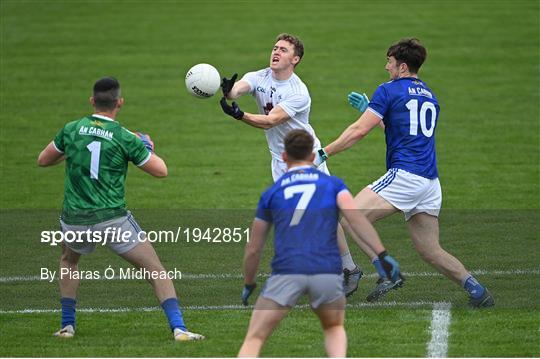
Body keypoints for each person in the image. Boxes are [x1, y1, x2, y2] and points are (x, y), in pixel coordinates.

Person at [314, 38, 494, 307]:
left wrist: (323, 153)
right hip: (429, 183)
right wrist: (372, 112)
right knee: (431, 250)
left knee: (350, 217)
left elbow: (357, 131)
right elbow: (403, 132)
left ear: (402, 66)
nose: (386, 67)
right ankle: (478, 291)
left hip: (405, 175)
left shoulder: (388, 90)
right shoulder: (430, 95)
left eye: (389, 62)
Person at [37, 77, 205, 340]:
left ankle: (67, 326)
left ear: (92, 101)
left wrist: (71, 150)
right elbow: (161, 171)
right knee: (155, 270)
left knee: (69, 261)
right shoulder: (125, 137)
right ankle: (179, 329)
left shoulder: (71, 129)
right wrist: (146, 145)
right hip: (112, 220)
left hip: (76, 219)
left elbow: (43, 160)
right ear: (120, 103)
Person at [219, 33, 370, 297]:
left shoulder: (298, 92)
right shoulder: (260, 76)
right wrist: (227, 90)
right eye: (274, 47)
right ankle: (343, 269)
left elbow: (270, 120)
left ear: (295, 59)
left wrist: (240, 115)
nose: (275, 52)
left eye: (283, 50)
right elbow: (238, 89)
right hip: (281, 161)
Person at [238, 130, 402, 357]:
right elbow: (356, 220)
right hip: (327, 272)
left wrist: (249, 283)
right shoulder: (333, 185)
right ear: (312, 155)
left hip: (287, 272)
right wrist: (382, 254)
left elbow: (254, 247)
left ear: (284, 157)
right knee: (334, 328)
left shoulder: (272, 192)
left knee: (255, 338)